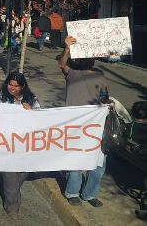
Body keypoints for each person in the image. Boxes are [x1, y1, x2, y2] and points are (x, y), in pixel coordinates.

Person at [58, 35, 112, 208]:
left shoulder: (100, 75)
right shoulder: (73, 72)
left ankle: (90, 194)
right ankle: (72, 191)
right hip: (75, 123)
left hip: (95, 124)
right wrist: (66, 48)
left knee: (98, 162)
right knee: (76, 158)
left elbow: (103, 96)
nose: (88, 60)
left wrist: (107, 103)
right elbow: (62, 64)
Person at [0, 72, 41, 220]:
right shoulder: (0, 97)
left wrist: (31, 111)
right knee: (10, 172)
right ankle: (12, 207)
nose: (12, 88)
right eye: (10, 85)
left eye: (16, 86)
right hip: (5, 142)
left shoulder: (31, 99)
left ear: (22, 87)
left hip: (24, 143)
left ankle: (12, 190)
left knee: (23, 172)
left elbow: (42, 119)